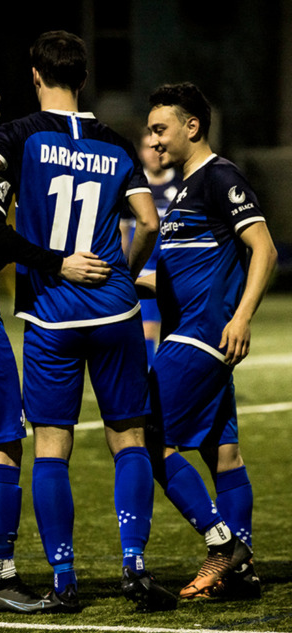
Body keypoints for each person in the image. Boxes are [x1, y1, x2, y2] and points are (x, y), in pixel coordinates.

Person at [0, 31, 173, 613]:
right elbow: (148, 222)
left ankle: (63, 579)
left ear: (36, 77)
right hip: (114, 308)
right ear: (84, 79)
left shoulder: (18, 135)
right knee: (128, 440)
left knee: (48, 449)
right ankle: (135, 567)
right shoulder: (117, 144)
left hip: (48, 312)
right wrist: (122, 273)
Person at [140, 82, 276, 600]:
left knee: (148, 439)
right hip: (194, 335)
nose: (153, 140)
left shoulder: (220, 177)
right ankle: (242, 573)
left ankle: (223, 545)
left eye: (160, 129)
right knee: (225, 453)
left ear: (192, 126)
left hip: (199, 337)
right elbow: (183, 273)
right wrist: (119, 280)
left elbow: (263, 249)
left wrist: (242, 317)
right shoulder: (185, 189)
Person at [120, 132, 183, 364]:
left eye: (158, 147)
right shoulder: (133, 186)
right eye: (148, 148)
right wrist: (123, 268)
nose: (154, 153)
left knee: (177, 331)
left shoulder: (181, 185)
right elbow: (123, 230)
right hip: (143, 269)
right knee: (146, 330)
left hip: (175, 269)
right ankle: (148, 379)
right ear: (141, 152)